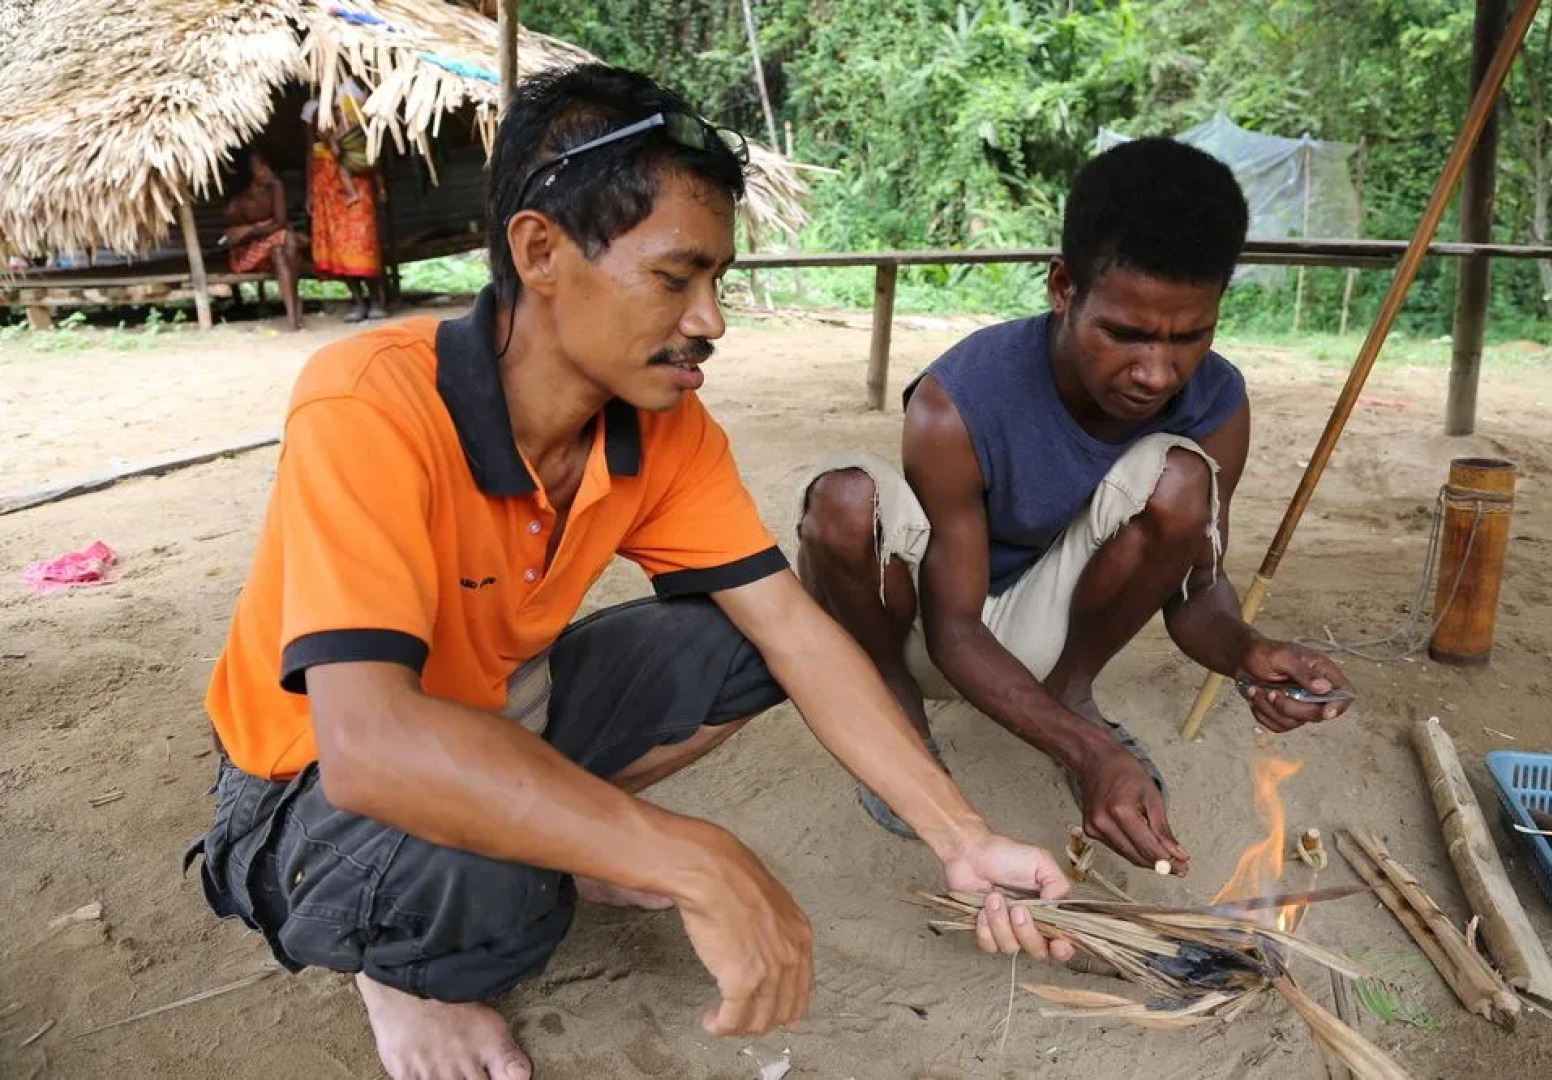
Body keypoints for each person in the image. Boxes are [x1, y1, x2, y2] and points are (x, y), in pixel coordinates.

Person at [187, 65, 1073, 1080]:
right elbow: (371, 749)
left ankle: (555, 835)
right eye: (673, 277)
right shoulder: (369, 400)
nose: (712, 321)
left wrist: (961, 839)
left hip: (494, 721)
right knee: (503, 893)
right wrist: (691, 856)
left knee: (739, 641)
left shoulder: (665, 430)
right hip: (302, 792)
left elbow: (790, 632)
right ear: (539, 251)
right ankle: (403, 973)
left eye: (718, 282)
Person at [796, 138, 1354, 873]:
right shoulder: (956, 400)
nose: (1156, 372)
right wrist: (1092, 754)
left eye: (1190, 336)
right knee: (844, 501)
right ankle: (897, 715)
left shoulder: (1216, 403)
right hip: (927, 620)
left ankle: (1071, 693)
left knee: (1183, 481)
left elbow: (1195, 593)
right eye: (1124, 333)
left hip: (1042, 633)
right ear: (1063, 287)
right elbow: (956, 631)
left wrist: (1251, 652)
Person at [303, 78, 387, 322]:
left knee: (364, 241)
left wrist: (380, 185)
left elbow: (369, 149)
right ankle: (357, 301)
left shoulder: (353, 97)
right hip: (326, 188)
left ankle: (375, 300)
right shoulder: (313, 110)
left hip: (357, 183)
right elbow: (310, 151)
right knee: (337, 247)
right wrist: (310, 191)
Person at [221, 150, 303, 331]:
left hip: (275, 248)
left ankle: (291, 318)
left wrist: (255, 228)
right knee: (287, 240)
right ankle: (296, 306)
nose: (266, 171)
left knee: (281, 251)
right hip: (249, 253)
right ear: (249, 173)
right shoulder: (238, 202)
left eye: (266, 165)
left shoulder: (275, 187)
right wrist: (256, 230)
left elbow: (280, 222)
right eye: (260, 168)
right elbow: (234, 237)